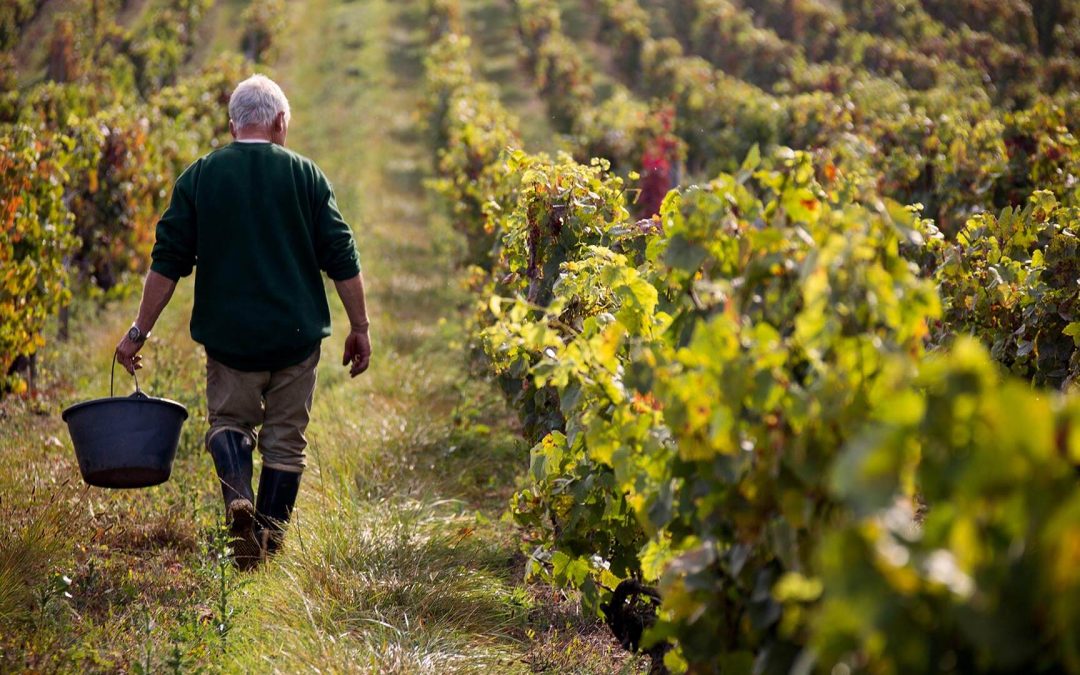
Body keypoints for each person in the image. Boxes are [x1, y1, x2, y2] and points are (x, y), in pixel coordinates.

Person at [114, 74, 372, 570]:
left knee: (229, 423)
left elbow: (167, 263)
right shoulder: (307, 176)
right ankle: (267, 551)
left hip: (229, 341)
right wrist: (359, 326)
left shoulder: (200, 176)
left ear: (233, 125)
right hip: (294, 340)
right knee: (285, 441)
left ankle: (237, 494)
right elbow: (342, 257)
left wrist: (136, 333)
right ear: (279, 123)